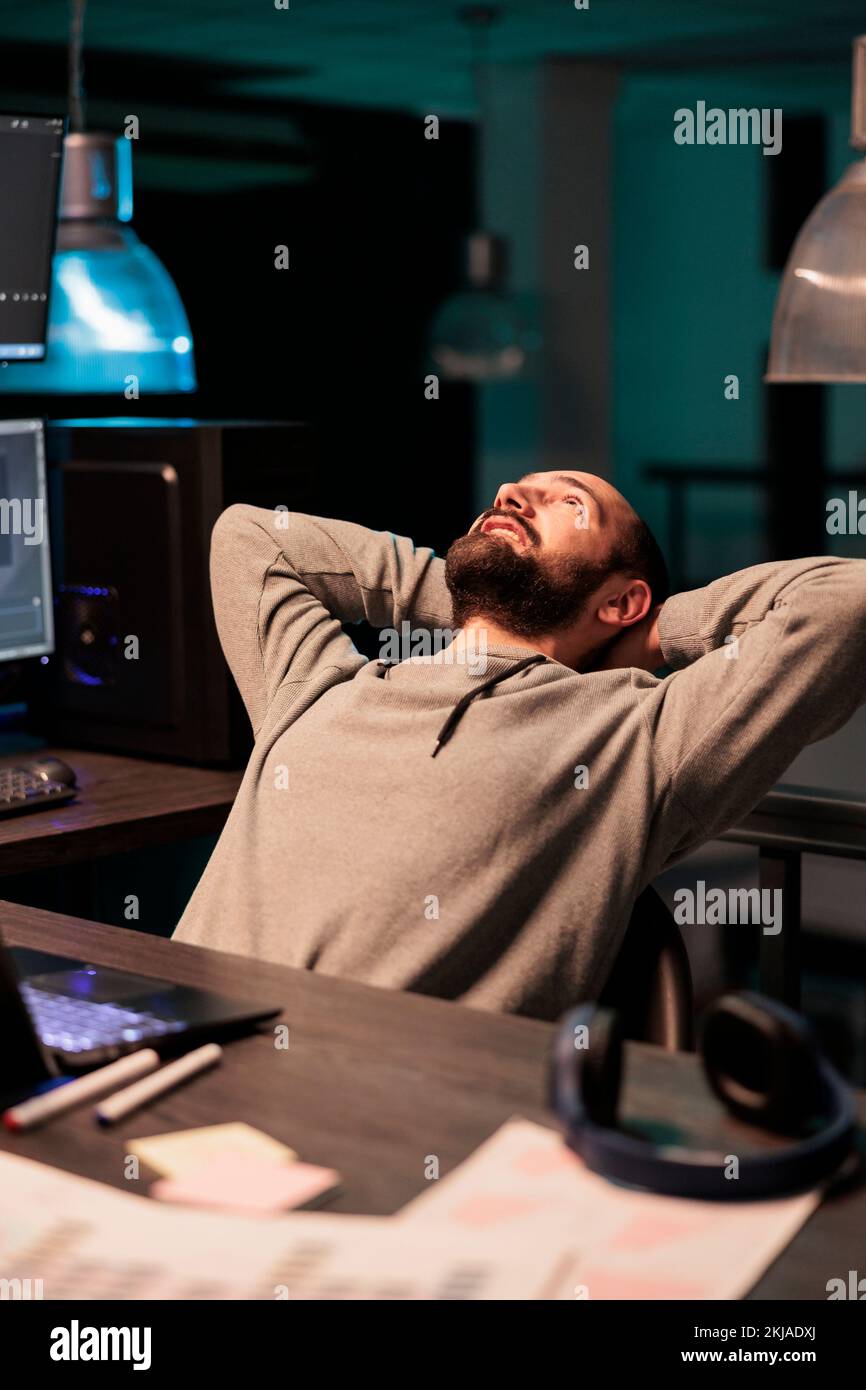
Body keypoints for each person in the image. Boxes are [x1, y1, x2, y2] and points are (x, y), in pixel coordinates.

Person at [173, 471, 866, 1020]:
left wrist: (648, 634)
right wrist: (477, 599)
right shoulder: (313, 686)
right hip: (159, 1059)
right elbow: (253, 538)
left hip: (364, 1122)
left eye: (570, 502)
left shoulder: (638, 738)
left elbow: (843, 606)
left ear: (623, 600)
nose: (514, 493)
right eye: (513, 493)